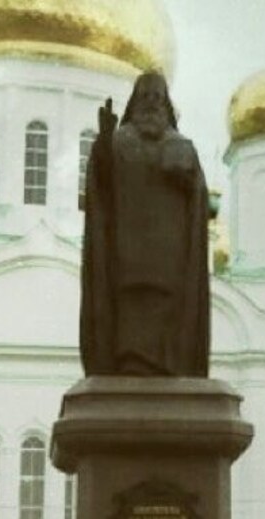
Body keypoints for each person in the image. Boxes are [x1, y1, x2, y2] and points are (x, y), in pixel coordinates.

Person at [80, 72, 210, 377]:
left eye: (157, 97)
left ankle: (171, 365)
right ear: (134, 102)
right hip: (127, 247)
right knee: (130, 306)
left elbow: (199, 197)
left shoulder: (182, 146)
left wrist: (187, 178)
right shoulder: (118, 142)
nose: (151, 103)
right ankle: (129, 366)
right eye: (145, 96)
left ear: (166, 104)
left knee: (170, 307)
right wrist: (103, 142)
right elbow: (102, 185)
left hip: (171, 251)